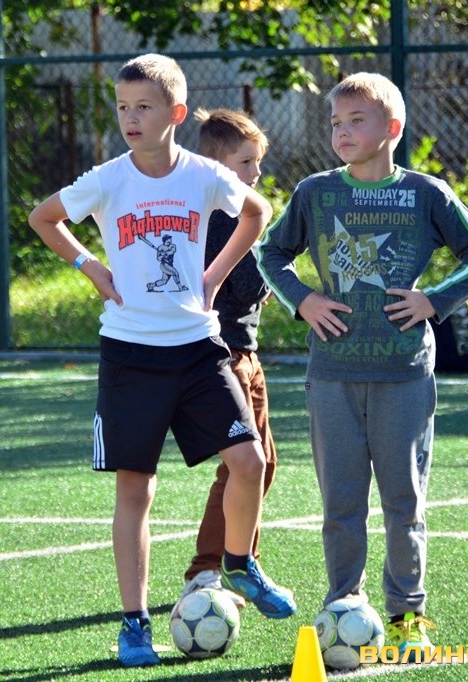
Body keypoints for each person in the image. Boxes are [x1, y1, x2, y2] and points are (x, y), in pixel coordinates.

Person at [27, 53, 297, 669]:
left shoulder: (204, 175)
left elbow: (257, 212)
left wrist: (215, 274)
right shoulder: (107, 179)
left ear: (175, 113)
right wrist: (90, 267)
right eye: (123, 107)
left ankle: (238, 563)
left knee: (250, 461)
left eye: (143, 107)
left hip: (199, 350)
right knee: (136, 489)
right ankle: (134, 623)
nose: (130, 118)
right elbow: (44, 217)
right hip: (131, 356)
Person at [258, 72, 468, 663]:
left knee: (403, 502)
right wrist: (303, 300)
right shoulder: (316, 193)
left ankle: (407, 618)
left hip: (404, 372)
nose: (341, 131)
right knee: (341, 505)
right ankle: (344, 605)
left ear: (391, 128)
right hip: (331, 374)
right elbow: (270, 253)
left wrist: (434, 300)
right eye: (335, 122)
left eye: (355, 121)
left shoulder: (426, 193)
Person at [177, 108, 278, 606]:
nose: (256, 172)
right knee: (242, 466)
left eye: (257, 162)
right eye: (246, 162)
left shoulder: (222, 209)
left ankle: (240, 562)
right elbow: (252, 284)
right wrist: (276, 263)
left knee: (263, 463)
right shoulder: (227, 216)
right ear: (218, 165)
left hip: (244, 353)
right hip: (227, 354)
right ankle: (209, 568)